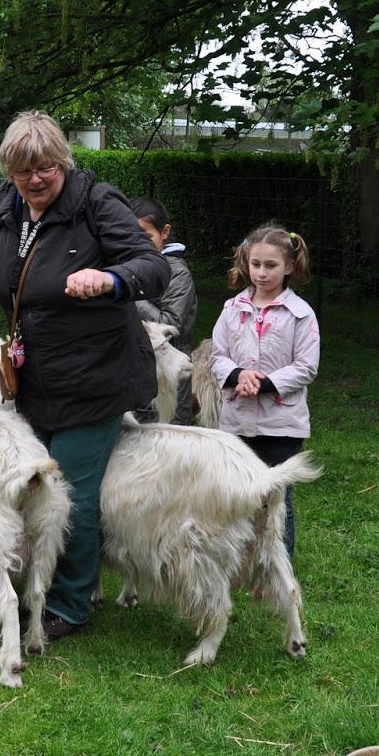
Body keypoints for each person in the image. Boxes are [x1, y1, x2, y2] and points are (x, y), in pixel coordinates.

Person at [0, 110, 167, 639]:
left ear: (64, 162)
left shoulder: (98, 204)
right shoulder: (7, 210)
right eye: (23, 171)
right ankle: (35, 581)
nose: (35, 180)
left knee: (67, 491)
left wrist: (111, 277)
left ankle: (71, 603)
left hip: (94, 377)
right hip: (35, 379)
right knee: (32, 487)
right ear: (9, 171)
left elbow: (152, 267)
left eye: (46, 168)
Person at [209, 223, 319, 560]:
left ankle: (276, 563)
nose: (261, 273)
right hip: (237, 422)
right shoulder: (232, 310)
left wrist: (263, 384)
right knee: (238, 492)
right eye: (255, 264)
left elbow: (306, 366)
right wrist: (239, 375)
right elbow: (217, 356)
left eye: (271, 265)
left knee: (275, 496)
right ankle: (240, 558)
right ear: (246, 263)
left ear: (289, 266)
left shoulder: (300, 315)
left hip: (280, 425)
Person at [131, 195, 198, 423]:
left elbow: (172, 324)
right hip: (136, 369)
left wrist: (128, 294)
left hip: (169, 374)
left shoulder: (177, 273)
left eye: (146, 236)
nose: (138, 242)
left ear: (165, 232)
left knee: (172, 442)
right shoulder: (130, 266)